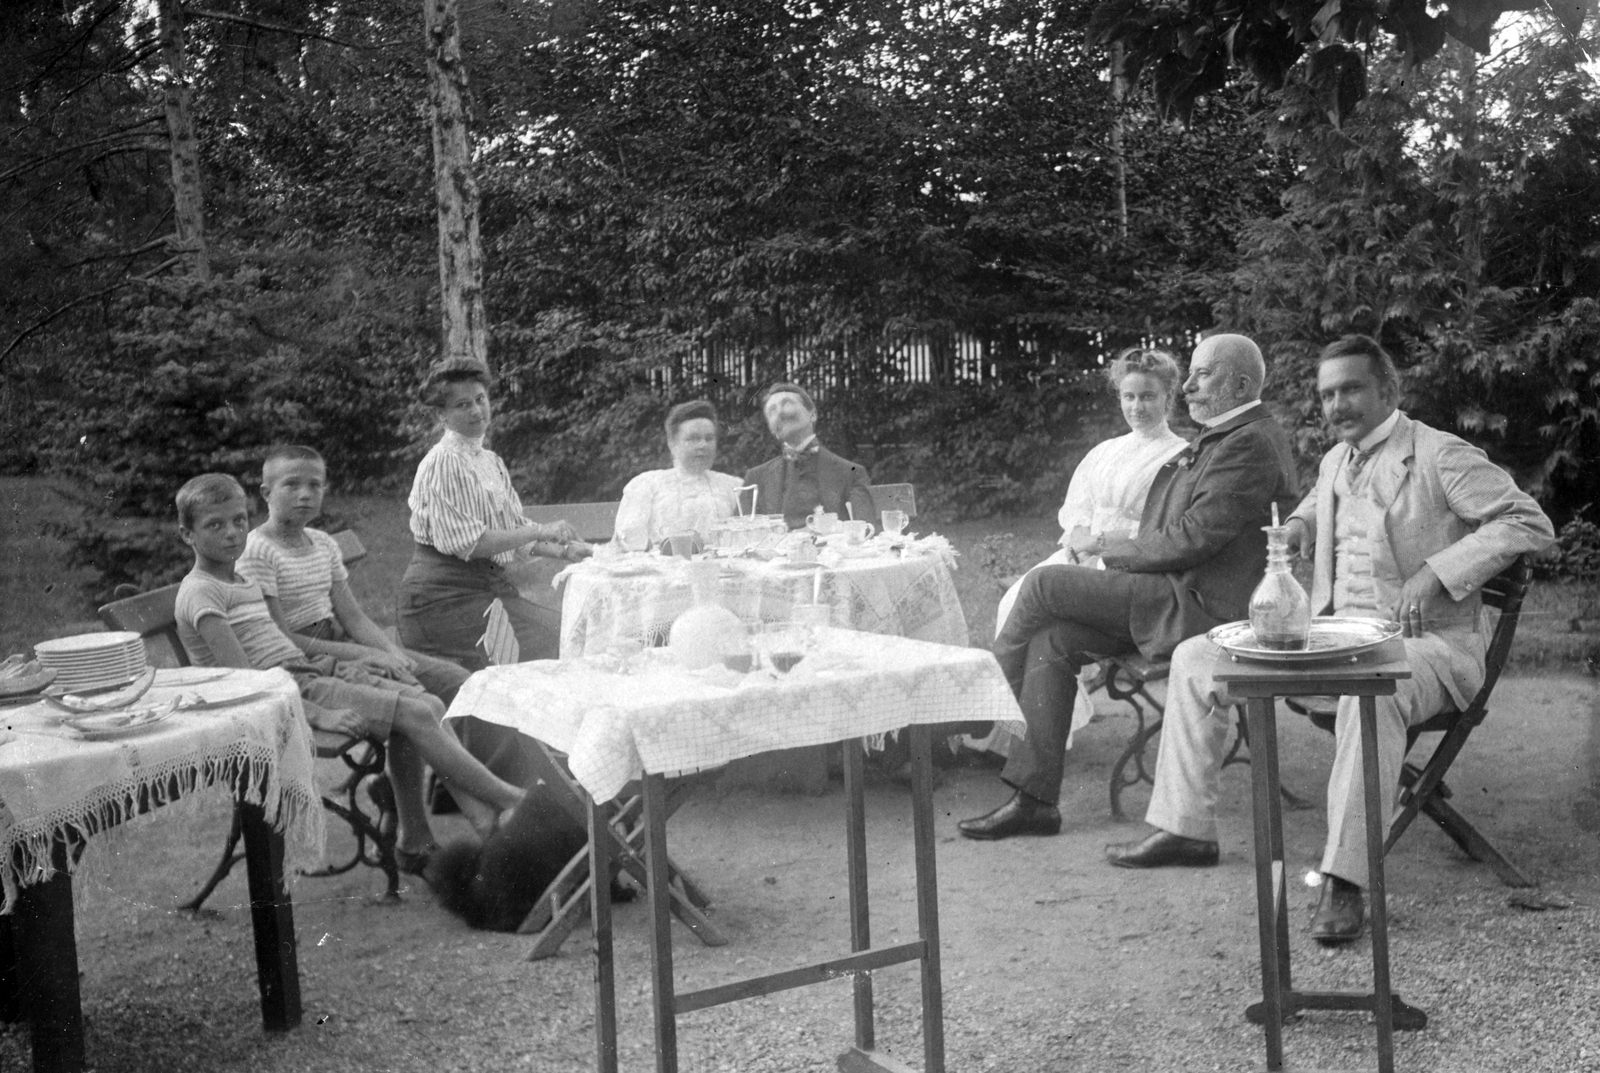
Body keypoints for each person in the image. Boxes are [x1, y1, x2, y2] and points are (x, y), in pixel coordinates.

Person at [1105, 334, 1554, 944]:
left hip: (1428, 647)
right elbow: (1324, 500)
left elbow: (1529, 521)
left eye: (1351, 390)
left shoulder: (1439, 455)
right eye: (1326, 394)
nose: (1337, 405)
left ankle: (1346, 882)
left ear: (1388, 392)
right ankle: (1185, 828)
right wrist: (1296, 526)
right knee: (1196, 655)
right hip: (1335, 636)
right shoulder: (1338, 458)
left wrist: (1438, 571)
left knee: (1372, 696)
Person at [958, 333, 1300, 841]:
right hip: (1172, 591)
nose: (1187, 386)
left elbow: (1192, 538)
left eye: (1202, 375)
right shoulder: (1228, 435)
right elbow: (1178, 530)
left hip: (1200, 608)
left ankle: (978, 706)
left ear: (1243, 383)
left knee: (1043, 585)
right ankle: (1034, 801)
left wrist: (1107, 552)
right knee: (1053, 637)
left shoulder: (1248, 442)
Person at [171, 473, 529, 875]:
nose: (233, 533)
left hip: (308, 674)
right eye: (214, 525)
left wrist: (353, 662)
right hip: (285, 695)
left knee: (427, 702)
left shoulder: (239, 579)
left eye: (239, 520)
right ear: (188, 535)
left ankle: (483, 820)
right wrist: (320, 715)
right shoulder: (202, 592)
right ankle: (508, 799)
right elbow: (248, 682)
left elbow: (284, 643)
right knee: (416, 714)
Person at [395, 360, 591, 795]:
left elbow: (511, 536)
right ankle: (512, 785)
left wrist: (563, 550)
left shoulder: (488, 461)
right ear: (441, 415)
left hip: (481, 592)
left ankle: (544, 775)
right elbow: (474, 542)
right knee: (534, 654)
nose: (476, 411)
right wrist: (541, 530)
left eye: (481, 400)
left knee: (563, 638)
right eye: (462, 405)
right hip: (441, 601)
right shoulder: (444, 463)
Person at [987, 348, 1188, 752]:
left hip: (1128, 567)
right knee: (1012, 602)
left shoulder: (1179, 457)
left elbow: (1160, 532)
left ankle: (1003, 713)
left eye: (1148, 396)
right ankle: (1008, 726)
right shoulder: (1107, 450)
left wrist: (1101, 547)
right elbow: (1078, 509)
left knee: (1042, 615)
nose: (1137, 406)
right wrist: (1079, 542)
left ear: (1169, 396)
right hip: (1082, 555)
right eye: (1128, 397)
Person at [613, 399, 744, 551]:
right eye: (693, 439)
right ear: (672, 444)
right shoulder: (646, 484)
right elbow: (627, 543)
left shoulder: (734, 486)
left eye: (709, 438)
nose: (703, 445)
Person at [743, 382, 874, 531]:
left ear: (812, 414)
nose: (779, 412)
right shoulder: (755, 479)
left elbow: (865, 532)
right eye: (772, 410)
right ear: (771, 429)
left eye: (787, 403)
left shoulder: (852, 474)